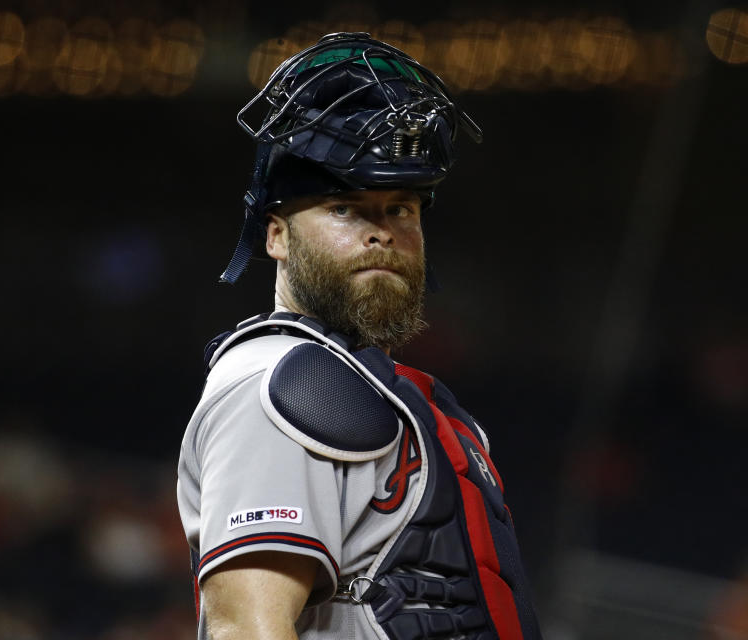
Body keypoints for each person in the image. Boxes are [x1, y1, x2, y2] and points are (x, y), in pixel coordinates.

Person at [177, 33, 543, 640]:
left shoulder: (402, 395)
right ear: (276, 236)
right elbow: (247, 629)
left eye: (401, 207)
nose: (381, 231)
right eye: (344, 207)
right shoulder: (278, 384)